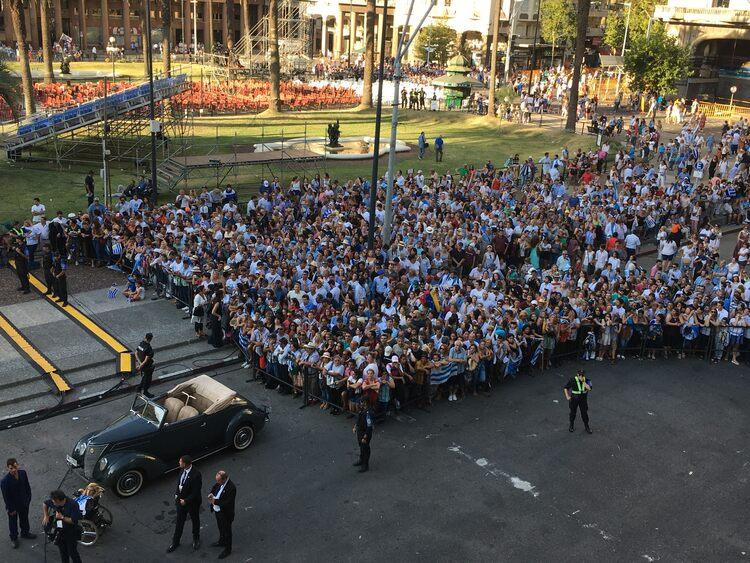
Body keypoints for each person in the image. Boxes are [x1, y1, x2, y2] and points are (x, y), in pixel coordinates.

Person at [168, 455, 202, 553]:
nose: (179, 463)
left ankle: (196, 539)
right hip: (180, 502)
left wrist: (186, 500)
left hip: (192, 503)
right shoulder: (182, 470)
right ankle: (175, 542)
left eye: (180, 462)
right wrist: (176, 495)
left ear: (185, 464)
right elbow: (179, 484)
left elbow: (196, 492)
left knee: (195, 520)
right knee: (179, 522)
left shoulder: (196, 475)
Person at [1, 458, 35, 549]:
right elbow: (6, 497)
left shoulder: (23, 473)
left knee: (24, 518)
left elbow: (27, 487)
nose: (14, 470)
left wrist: (28, 499)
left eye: (15, 467)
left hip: (24, 503)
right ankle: (14, 538)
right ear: (8, 468)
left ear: (18, 465)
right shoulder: (5, 481)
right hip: (13, 507)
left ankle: (25, 533)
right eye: (11, 468)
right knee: (13, 522)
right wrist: (11, 509)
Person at [42, 489, 82, 563]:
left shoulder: (73, 505)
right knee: (63, 553)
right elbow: (45, 503)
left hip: (71, 533)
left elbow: (74, 521)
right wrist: (46, 515)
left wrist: (62, 517)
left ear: (58, 500)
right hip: (60, 532)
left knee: (72, 553)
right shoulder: (54, 501)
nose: (52, 503)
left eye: (54, 502)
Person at [207, 470, 236, 559]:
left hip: (225, 513)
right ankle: (222, 541)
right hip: (218, 511)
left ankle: (228, 549)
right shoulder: (219, 483)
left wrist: (214, 501)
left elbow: (227, 503)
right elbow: (215, 487)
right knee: (220, 527)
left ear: (224, 479)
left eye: (219, 481)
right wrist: (211, 493)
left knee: (227, 531)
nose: (217, 483)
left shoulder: (231, 488)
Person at [563, 369, 593, 434]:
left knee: (584, 413)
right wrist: (567, 396)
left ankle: (586, 426)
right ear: (577, 374)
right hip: (574, 399)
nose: (581, 376)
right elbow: (565, 388)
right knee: (573, 413)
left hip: (583, 399)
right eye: (580, 375)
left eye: (582, 375)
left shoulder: (587, 380)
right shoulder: (572, 380)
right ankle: (571, 425)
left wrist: (583, 382)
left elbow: (589, 388)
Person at [352, 398, 374, 473]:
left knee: (365, 449)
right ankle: (361, 460)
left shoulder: (368, 413)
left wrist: (365, 437)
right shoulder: (362, 410)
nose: (361, 404)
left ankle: (365, 465)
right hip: (360, 431)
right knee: (361, 447)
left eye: (362, 402)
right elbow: (358, 419)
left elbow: (369, 426)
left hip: (365, 433)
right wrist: (355, 426)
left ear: (366, 403)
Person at [136, 332, 155, 397]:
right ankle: (145, 392)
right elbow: (146, 360)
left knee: (144, 377)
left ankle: (139, 389)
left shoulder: (141, 344)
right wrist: (141, 365)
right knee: (148, 380)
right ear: (151, 339)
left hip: (142, 365)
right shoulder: (148, 348)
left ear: (145, 337)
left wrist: (139, 363)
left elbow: (136, 353)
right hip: (147, 367)